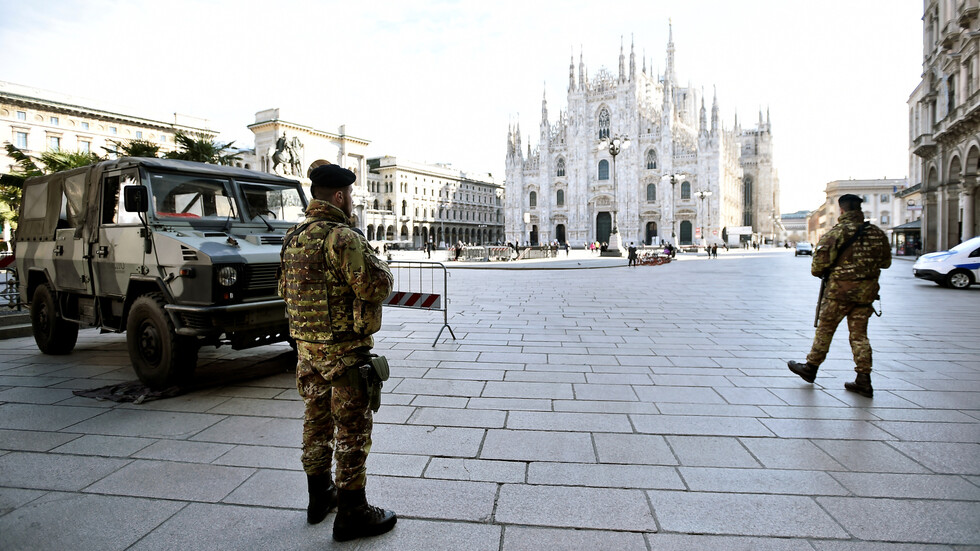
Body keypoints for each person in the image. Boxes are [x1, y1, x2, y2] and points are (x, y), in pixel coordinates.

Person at [279, 164, 397, 541]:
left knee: (315, 424)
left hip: (307, 352)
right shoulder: (342, 237)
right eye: (350, 197)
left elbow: (284, 289)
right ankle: (352, 511)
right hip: (344, 354)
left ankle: (319, 498)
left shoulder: (293, 237)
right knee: (351, 430)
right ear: (341, 197)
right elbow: (375, 288)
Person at [788, 194, 891, 398]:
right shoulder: (877, 234)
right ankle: (863, 379)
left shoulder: (835, 234)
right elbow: (886, 262)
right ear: (859, 210)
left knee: (825, 330)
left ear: (841, 210)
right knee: (859, 336)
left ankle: (811, 368)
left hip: (838, 294)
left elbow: (817, 268)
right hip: (865, 295)